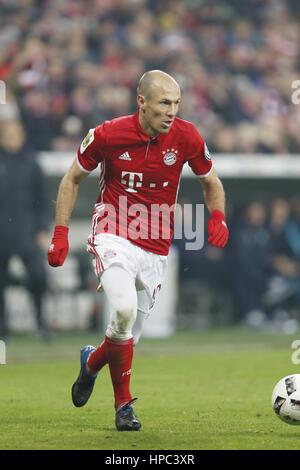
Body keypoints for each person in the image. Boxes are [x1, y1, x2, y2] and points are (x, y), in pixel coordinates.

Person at [47, 70, 229, 431]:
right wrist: (61, 232)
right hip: (113, 233)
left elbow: (211, 181)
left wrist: (219, 216)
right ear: (141, 102)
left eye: (176, 103)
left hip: (155, 249)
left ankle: (90, 363)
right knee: (124, 309)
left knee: (124, 334)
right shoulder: (108, 134)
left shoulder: (187, 136)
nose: (172, 111)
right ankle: (123, 406)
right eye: (164, 103)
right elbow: (71, 179)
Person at [0, 119, 50, 340]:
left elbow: (43, 199)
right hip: (2, 234)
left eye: (16, 134)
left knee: (38, 277)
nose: (12, 138)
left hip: (27, 232)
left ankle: (41, 323)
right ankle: (3, 328)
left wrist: (42, 229)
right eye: (8, 134)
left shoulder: (32, 163)